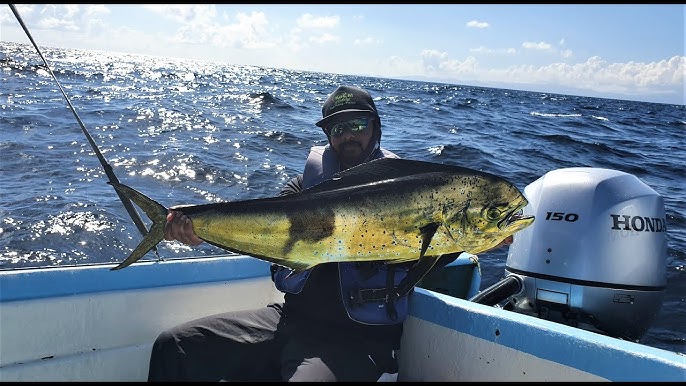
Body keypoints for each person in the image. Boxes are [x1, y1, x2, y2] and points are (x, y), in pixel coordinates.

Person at [147, 85, 509, 382]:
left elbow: (436, 252)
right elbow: (258, 228)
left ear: (376, 128)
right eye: (338, 128)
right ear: (327, 136)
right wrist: (197, 229)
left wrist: (489, 238)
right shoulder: (299, 191)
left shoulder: (417, 200)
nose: (348, 135)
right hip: (288, 322)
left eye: (357, 124)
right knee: (174, 344)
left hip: (356, 342)